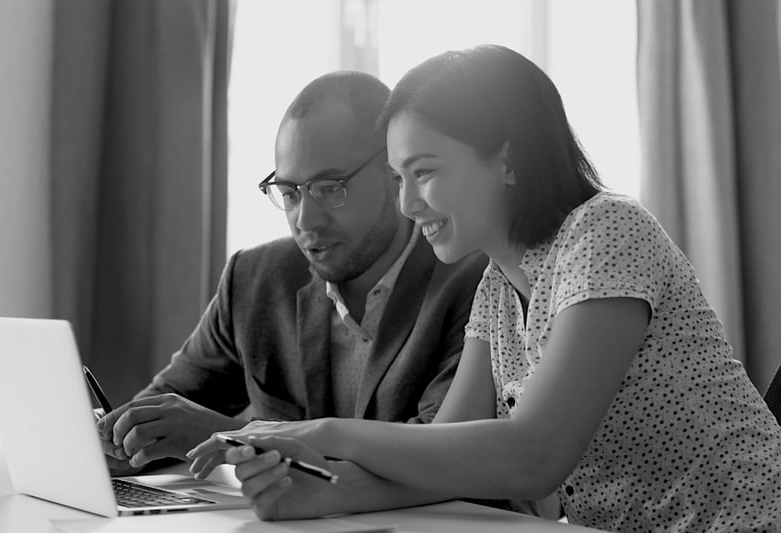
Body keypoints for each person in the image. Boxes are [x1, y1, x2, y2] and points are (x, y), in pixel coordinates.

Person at [189, 45, 781, 532]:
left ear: (507, 160)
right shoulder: (498, 285)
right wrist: (317, 496)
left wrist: (323, 432)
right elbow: (442, 459)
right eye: (399, 177)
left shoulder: (607, 232)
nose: (406, 204)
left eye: (425, 172)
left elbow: (533, 458)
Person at [95, 71, 487, 477]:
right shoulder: (255, 279)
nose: (306, 221)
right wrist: (112, 440)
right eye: (290, 193)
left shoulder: (473, 283)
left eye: (330, 189)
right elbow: (163, 416)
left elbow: (440, 461)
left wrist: (234, 439)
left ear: (393, 172)